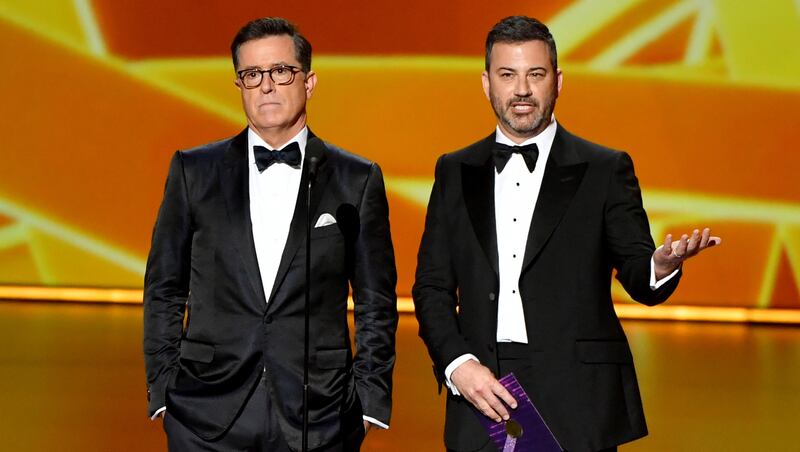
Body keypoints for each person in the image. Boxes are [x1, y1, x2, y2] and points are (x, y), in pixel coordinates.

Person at [412, 16, 720, 452]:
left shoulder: (605, 168)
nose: (521, 89)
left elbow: (638, 272)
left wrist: (660, 266)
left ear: (557, 81)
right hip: (483, 387)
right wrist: (458, 364)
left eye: (535, 75)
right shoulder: (454, 170)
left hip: (577, 397)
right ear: (486, 83)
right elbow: (431, 287)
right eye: (507, 75)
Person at [143, 17, 398, 451]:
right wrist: (165, 390)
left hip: (319, 414)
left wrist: (369, 398)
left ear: (309, 81)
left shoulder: (356, 178)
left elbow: (376, 298)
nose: (266, 86)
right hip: (204, 411)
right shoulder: (193, 171)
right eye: (252, 74)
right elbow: (165, 287)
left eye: (281, 71)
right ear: (239, 85)